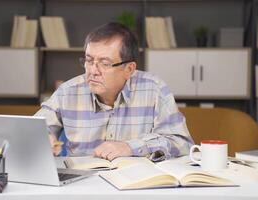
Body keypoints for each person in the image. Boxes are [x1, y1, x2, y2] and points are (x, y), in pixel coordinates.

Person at [35, 22, 194, 162]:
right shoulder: (67, 92)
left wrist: (130, 147)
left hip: (135, 187)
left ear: (129, 69)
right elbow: (34, 127)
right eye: (89, 61)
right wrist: (44, 137)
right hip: (82, 186)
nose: (92, 71)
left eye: (104, 63)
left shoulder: (154, 89)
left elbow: (182, 142)